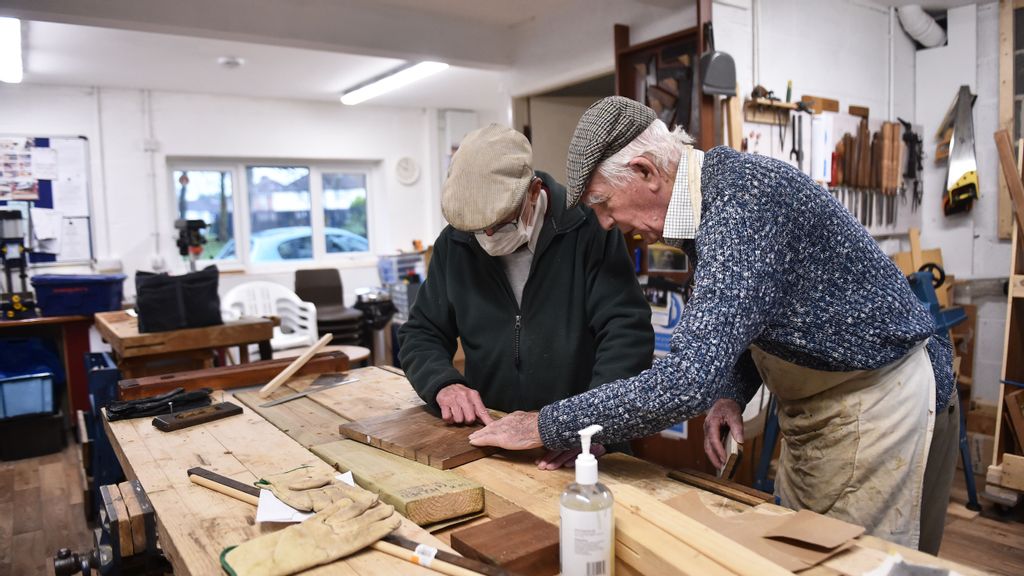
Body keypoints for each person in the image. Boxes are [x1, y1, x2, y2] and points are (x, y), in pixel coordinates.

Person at [468, 97, 958, 553]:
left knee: (850, 561)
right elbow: (761, 313)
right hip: (822, 406)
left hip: (876, 404)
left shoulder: (740, 207)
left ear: (644, 171)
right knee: (800, 554)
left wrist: (547, 424)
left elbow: (685, 382)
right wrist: (732, 389)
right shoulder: (709, 203)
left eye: (602, 203)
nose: (605, 223)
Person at [398, 123, 654, 469]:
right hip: (493, 439)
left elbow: (627, 335)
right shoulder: (455, 243)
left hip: (580, 447)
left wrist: (591, 428)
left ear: (533, 192)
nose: (487, 237)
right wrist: (442, 384)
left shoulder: (588, 227)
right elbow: (421, 333)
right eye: (477, 229)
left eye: (500, 223)